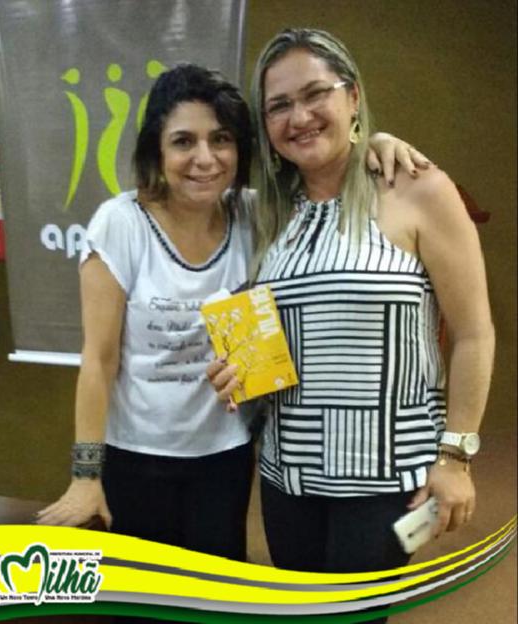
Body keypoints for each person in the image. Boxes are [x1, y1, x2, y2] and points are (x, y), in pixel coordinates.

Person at [36, 62, 431, 563]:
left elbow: (327, 168)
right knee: (146, 603)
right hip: (137, 459)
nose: (204, 158)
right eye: (183, 141)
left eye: (220, 139)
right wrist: (85, 477)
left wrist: (376, 142)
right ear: (158, 147)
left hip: (224, 456)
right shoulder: (121, 223)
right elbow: (98, 361)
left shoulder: (255, 213)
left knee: (217, 597)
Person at [209, 28, 494, 622]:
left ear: (354, 96)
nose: (301, 116)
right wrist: (239, 369)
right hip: (287, 475)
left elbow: (473, 333)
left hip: (387, 481)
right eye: (280, 105)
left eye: (316, 94)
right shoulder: (273, 213)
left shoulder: (417, 189)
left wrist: (457, 455)